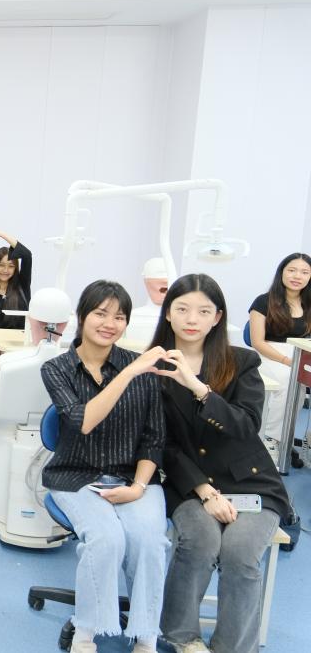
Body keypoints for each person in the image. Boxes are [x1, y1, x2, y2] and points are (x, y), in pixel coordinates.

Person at [155, 274, 292, 653]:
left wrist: (199, 388)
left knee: (240, 554)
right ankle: (182, 638)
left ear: (217, 317)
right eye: (182, 309)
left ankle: (232, 648)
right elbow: (162, 444)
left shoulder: (242, 361)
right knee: (199, 543)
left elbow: (246, 426)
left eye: (204, 311)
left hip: (251, 482)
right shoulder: (153, 365)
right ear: (168, 314)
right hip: (189, 483)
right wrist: (204, 491)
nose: (192, 319)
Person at [40, 280, 169, 653]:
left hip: (133, 477)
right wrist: (128, 373)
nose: (110, 324)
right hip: (75, 475)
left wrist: (138, 487)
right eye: (100, 313)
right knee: (106, 538)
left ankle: (145, 635)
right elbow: (83, 420)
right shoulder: (58, 369)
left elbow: (154, 438)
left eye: (119, 317)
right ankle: (85, 633)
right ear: (82, 316)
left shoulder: (142, 368)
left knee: (150, 541)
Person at [248, 253, 311, 447]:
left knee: (297, 380)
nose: (297, 276)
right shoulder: (263, 302)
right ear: (281, 272)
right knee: (289, 381)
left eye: (304, 272)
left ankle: (305, 439)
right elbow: (257, 342)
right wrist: (287, 361)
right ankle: (271, 439)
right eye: (292, 270)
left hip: (301, 355)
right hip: (269, 354)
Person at [0, 229, 32, 330]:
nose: (5, 270)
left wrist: (0, 234)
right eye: (1, 265)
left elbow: (27, 255)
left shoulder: (22, 285)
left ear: (15, 268)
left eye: (11, 266)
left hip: (21, 339)